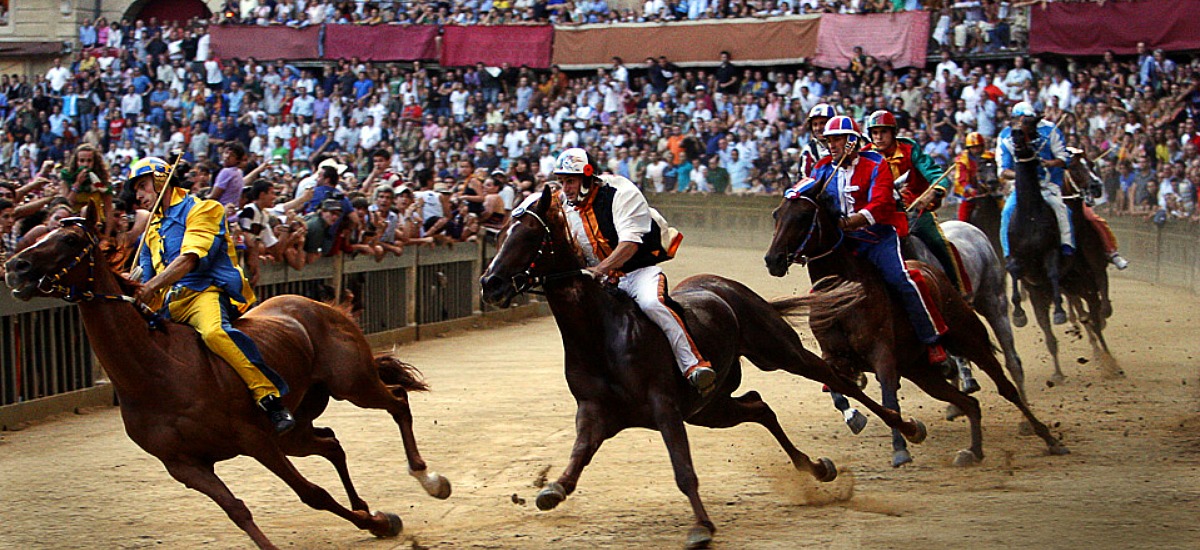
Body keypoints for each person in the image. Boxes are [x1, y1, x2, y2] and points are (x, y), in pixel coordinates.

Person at [129, 157, 295, 434]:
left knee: (214, 333)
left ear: (161, 181)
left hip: (203, 292)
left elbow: (190, 259)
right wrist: (132, 286)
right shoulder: (152, 229)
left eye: (143, 186)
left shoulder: (203, 209)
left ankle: (269, 397)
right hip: (169, 301)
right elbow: (143, 274)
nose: (138, 195)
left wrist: (149, 287)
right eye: (136, 189)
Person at [551, 147, 714, 393]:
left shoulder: (621, 192)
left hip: (638, 273)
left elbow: (629, 244)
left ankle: (693, 365)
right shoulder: (565, 205)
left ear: (587, 177)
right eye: (562, 182)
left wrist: (599, 270)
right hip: (604, 282)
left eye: (571, 181)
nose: (566, 188)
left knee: (653, 304)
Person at [801, 116, 949, 365]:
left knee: (901, 280)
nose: (831, 145)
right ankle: (835, 355)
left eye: (836, 139)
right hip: (846, 242)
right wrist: (793, 196)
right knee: (821, 290)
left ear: (851, 142)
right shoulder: (823, 167)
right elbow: (805, 190)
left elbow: (880, 204)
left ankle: (932, 338)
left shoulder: (875, 163)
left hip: (878, 237)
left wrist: (851, 222)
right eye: (828, 140)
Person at [866, 109, 969, 295]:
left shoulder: (909, 149)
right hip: (879, 214)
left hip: (913, 210)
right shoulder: (865, 156)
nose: (879, 137)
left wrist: (933, 192)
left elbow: (937, 175)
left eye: (883, 132)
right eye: (875, 133)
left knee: (937, 241)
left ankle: (959, 290)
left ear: (893, 132)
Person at [996, 101, 1073, 268]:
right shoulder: (1004, 136)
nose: (1026, 125)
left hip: (1047, 185)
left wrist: (1049, 163)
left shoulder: (1050, 130)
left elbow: (1064, 158)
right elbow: (1003, 170)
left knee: (1062, 209)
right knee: (1007, 211)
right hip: (1021, 187)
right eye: (1023, 121)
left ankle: (1067, 244)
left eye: (1030, 121)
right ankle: (1008, 254)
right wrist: (1023, 176)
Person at [955, 132, 988, 223]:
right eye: (973, 147)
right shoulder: (962, 160)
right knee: (963, 217)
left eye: (978, 146)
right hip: (970, 192)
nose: (976, 149)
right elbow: (962, 179)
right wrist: (970, 190)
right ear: (969, 148)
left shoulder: (989, 156)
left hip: (989, 189)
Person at [800, 103, 835, 177]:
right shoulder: (808, 151)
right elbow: (804, 180)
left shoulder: (848, 141)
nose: (818, 128)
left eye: (823, 123)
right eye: (815, 124)